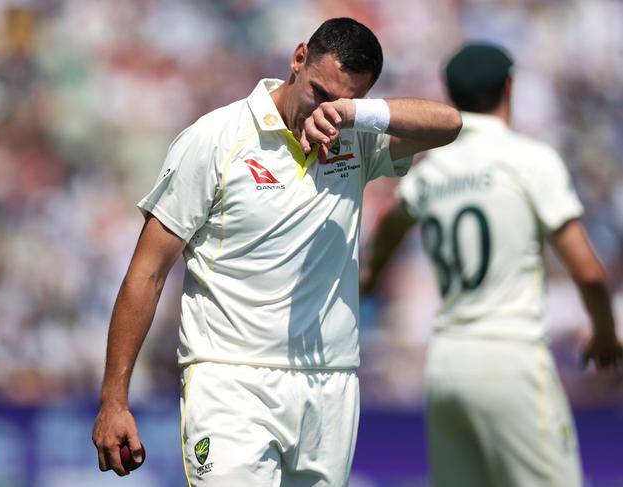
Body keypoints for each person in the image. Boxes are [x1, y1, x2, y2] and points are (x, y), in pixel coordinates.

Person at [91, 17, 462, 486]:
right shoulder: (215, 138)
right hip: (230, 380)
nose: (324, 109)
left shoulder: (354, 136)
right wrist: (114, 399)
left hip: (330, 382)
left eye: (346, 100)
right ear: (298, 58)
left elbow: (449, 124)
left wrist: (352, 116)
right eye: (320, 93)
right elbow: (146, 273)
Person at [361, 42, 623, 487]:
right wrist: (603, 335)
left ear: (449, 94)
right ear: (509, 86)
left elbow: (374, 261)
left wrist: (365, 285)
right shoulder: (529, 160)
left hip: (445, 365)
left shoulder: (428, 173)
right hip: (511, 357)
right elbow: (589, 272)